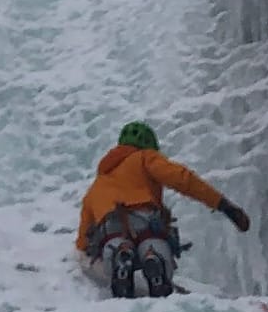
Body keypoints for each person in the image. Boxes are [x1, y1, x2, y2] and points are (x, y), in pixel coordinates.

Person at [77, 122, 250, 299]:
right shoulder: (145, 157)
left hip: (110, 227)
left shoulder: (96, 186)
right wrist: (223, 204)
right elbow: (182, 179)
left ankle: (120, 254)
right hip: (146, 220)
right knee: (153, 247)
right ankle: (153, 258)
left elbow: (83, 242)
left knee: (113, 246)